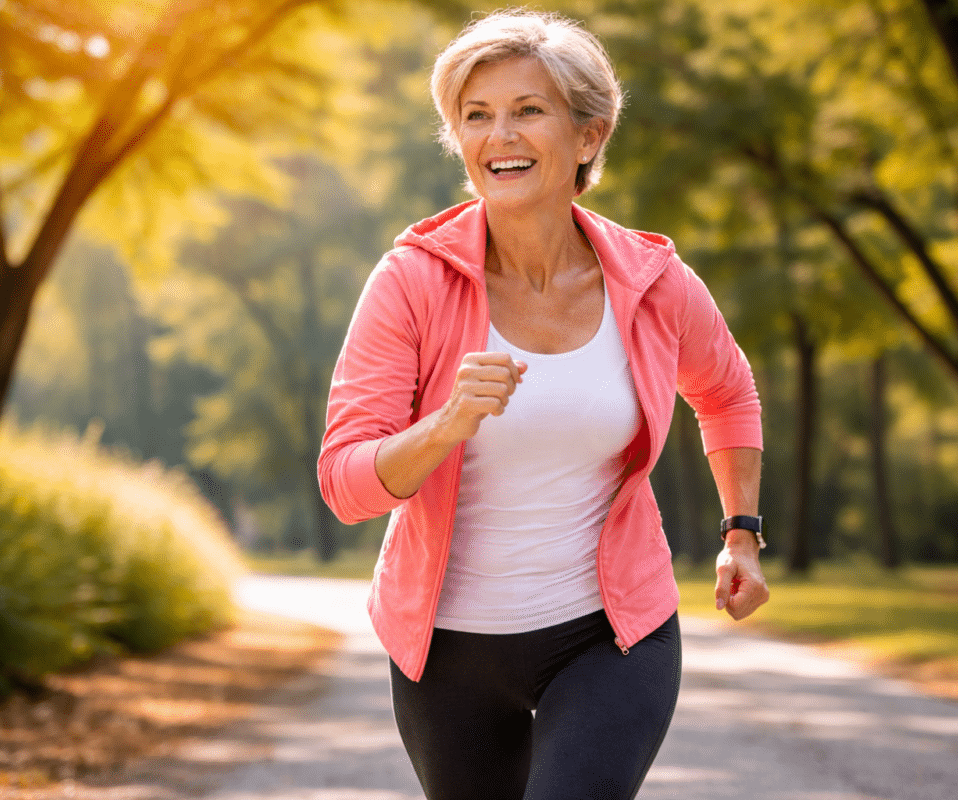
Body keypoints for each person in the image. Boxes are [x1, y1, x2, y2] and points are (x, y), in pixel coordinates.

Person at [318, 9, 768, 799]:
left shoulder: (653, 283)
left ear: (589, 136)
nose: (502, 137)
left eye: (529, 111)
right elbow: (345, 483)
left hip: (610, 636)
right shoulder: (411, 282)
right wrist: (445, 425)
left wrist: (742, 534)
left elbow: (727, 391)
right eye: (477, 117)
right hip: (447, 649)